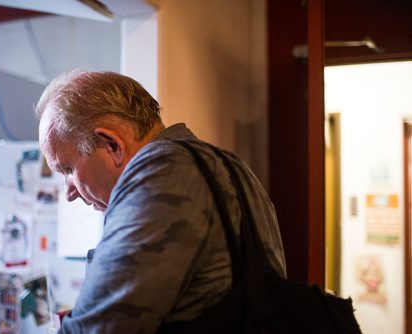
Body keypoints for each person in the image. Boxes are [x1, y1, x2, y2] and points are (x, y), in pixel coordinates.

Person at [35, 69, 286, 333]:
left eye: (68, 170)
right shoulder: (230, 168)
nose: (69, 192)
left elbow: (102, 328)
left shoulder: (160, 174)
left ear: (111, 145)